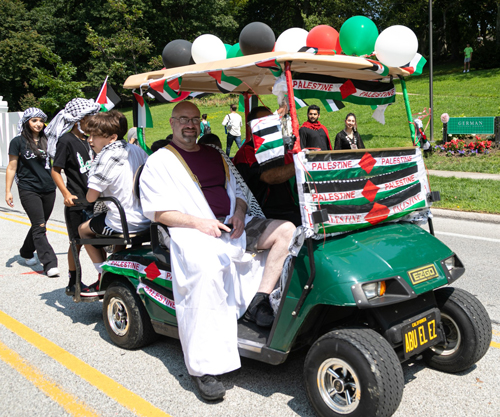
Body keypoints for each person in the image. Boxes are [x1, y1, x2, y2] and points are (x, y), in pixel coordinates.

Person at [139, 101, 295, 401]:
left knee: (286, 232)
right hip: (190, 230)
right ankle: (203, 367)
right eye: (183, 119)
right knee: (206, 270)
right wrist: (198, 222)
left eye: (195, 120)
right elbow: (158, 212)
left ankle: (258, 301)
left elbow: (239, 194)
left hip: (232, 225)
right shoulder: (159, 161)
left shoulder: (216, 155)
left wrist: (238, 213)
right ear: (172, 123)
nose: (190, 125)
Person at [78, 111, 150, 281]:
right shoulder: (137, 150)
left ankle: (103, 274)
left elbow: (91, 197)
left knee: (83, 230)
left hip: (124, 221)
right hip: (147, 219)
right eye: (89, 135)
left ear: (112, 138)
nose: (90, 140)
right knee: (117, 230)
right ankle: (117, 268)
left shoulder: (106, 156)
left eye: (95, 136)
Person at [48, 98, 103, 296]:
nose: (93, 123)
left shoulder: (92, 139)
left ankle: (102, 278)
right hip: (77, 200)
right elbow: (56, 170)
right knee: (76, 243)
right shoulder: (66, 141)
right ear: (78, 120)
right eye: (89, 119)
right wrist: (66, 193)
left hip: (95, 200)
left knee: (98, 240)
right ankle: (73, 281)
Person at [5, 108, 59, 277]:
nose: (38, 124)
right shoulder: (17, 142)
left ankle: (27, 251)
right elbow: (12, 167)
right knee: (40, 226)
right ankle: (50, 263)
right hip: (29, 189)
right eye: (34, 120)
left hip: (49, 188)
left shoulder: (48, 140)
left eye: (41, 121)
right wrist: (8, 191)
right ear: (26, 122)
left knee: (39, 224)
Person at [234, 106, 302, 226]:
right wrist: (300, 162)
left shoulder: (280, 148)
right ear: (251, 127)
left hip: (290, 206)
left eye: (271, 121)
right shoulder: (247, 152)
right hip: (262, 211)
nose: (269, 125)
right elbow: (268, 177)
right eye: (264, 122)